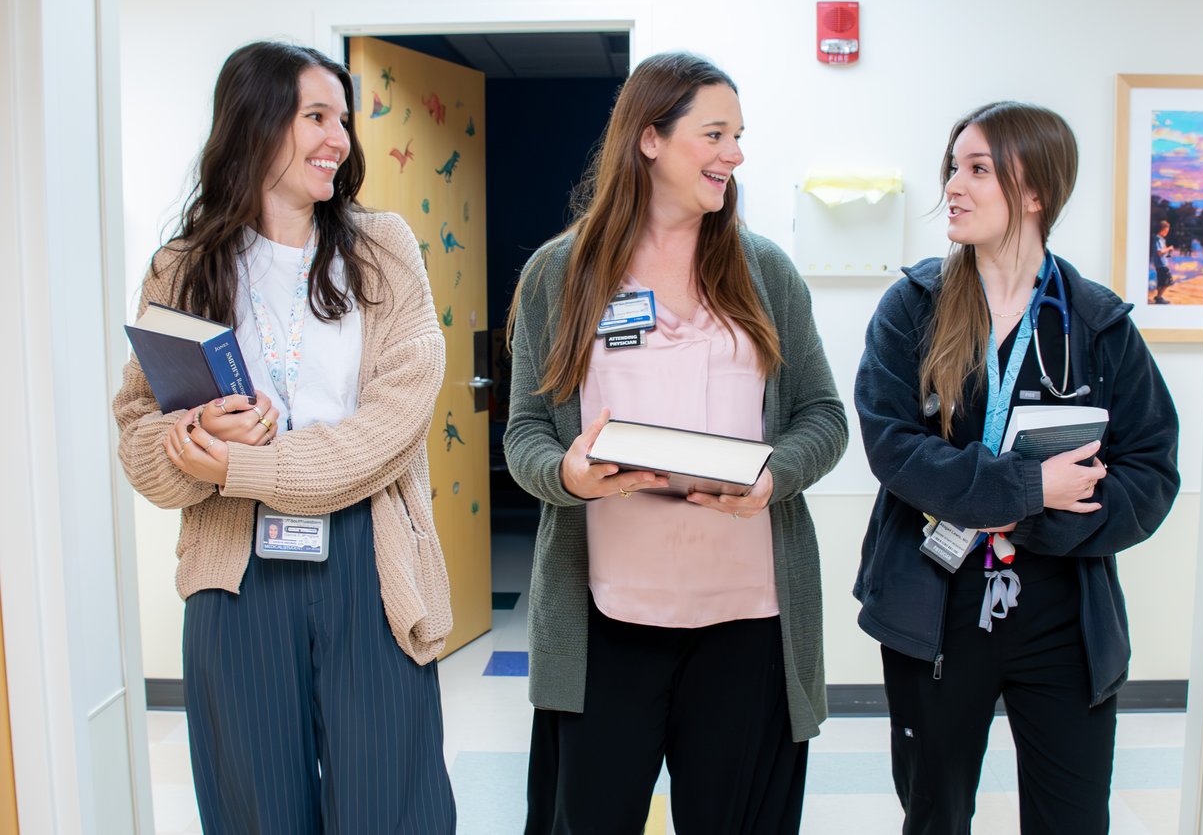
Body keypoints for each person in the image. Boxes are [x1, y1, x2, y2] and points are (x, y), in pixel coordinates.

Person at [113, 41, 456, 832]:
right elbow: (138, 433)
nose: (339, 138)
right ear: (255, 124)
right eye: (315, 117)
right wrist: (191, 437)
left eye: (344, 118)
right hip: (236, 581)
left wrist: (239, 463)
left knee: (389, 805)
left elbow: (392, 430)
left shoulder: (385, 250)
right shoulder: (183, 266)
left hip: (371, 565)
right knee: (254, 809)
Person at [504, 51, 848, 834]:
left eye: (738, 135)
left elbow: (824, 417)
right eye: (715, 133)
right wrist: (568, 472)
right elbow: (525, 431)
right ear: (649, 139)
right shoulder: (561, 274)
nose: (735, 153)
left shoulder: (766, 272)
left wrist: (773, 476)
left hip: (748, 619)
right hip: (607, 620)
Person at [853, 101, 1179, 834]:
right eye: (953, 167)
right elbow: (894, 447)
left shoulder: (1096, 325)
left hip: (1062, 613)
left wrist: (1035, 524)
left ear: (1035, 193)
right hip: (936, 603)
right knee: (935, 814)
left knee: (1072, 819)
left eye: (978, 170)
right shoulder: (913, 309)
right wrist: (1029, 488)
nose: (953, 187)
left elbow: (1152, 471)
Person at [1151, 219, 1175, 304]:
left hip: (1162, 263)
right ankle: (1159, 297)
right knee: (1167, 281)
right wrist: (1169, 248)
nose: (1166, 233)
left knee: (1162, 281)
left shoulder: (1161, 239)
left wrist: (1167, 250)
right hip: (1161, 264)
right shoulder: (1158, 239)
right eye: (1165, 231)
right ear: (1161, 230)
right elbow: (1160, 252)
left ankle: (1158, 297)